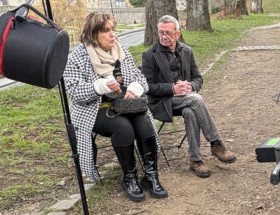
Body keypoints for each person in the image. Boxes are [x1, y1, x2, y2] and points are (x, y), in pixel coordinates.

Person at [63, 12, 167, 203]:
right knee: (123, 127)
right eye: (106, 31)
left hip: (125, 104)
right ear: (93, 34)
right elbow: (73, 90)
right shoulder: (78, 56)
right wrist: (100, 86)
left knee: (144, 123)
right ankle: (129, 178)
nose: (113, 35)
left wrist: (135, 89)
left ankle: (151, 175)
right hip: (93, 109)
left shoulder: (121, 51)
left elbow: (140, 78)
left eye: (113, 29)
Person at [141, 15, 236, 179]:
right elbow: (147, 87)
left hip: (186, 99)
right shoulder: (150, 54)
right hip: (162, 102)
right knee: (196, 99)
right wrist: (173, 88)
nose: (164, 36)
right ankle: (215, 143)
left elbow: (198, 78)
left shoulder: (187, 51)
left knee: (191, 111)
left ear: (177, 34)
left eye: (168, 33)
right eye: (161, 32)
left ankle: (195, 160)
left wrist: (191, 86)